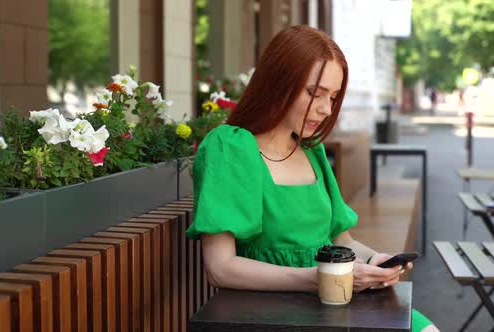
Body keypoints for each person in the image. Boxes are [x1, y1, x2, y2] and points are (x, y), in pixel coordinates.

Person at [186, 25, 438, 332]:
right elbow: (220, 268)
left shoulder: (311, 150)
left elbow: (341, 240)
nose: (325, 109)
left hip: (333, 306)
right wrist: (322, 278)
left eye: (332, 97)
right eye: (314, 93)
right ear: (278, 82)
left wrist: (375, 262)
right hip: (267, 315)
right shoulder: (230, 147)